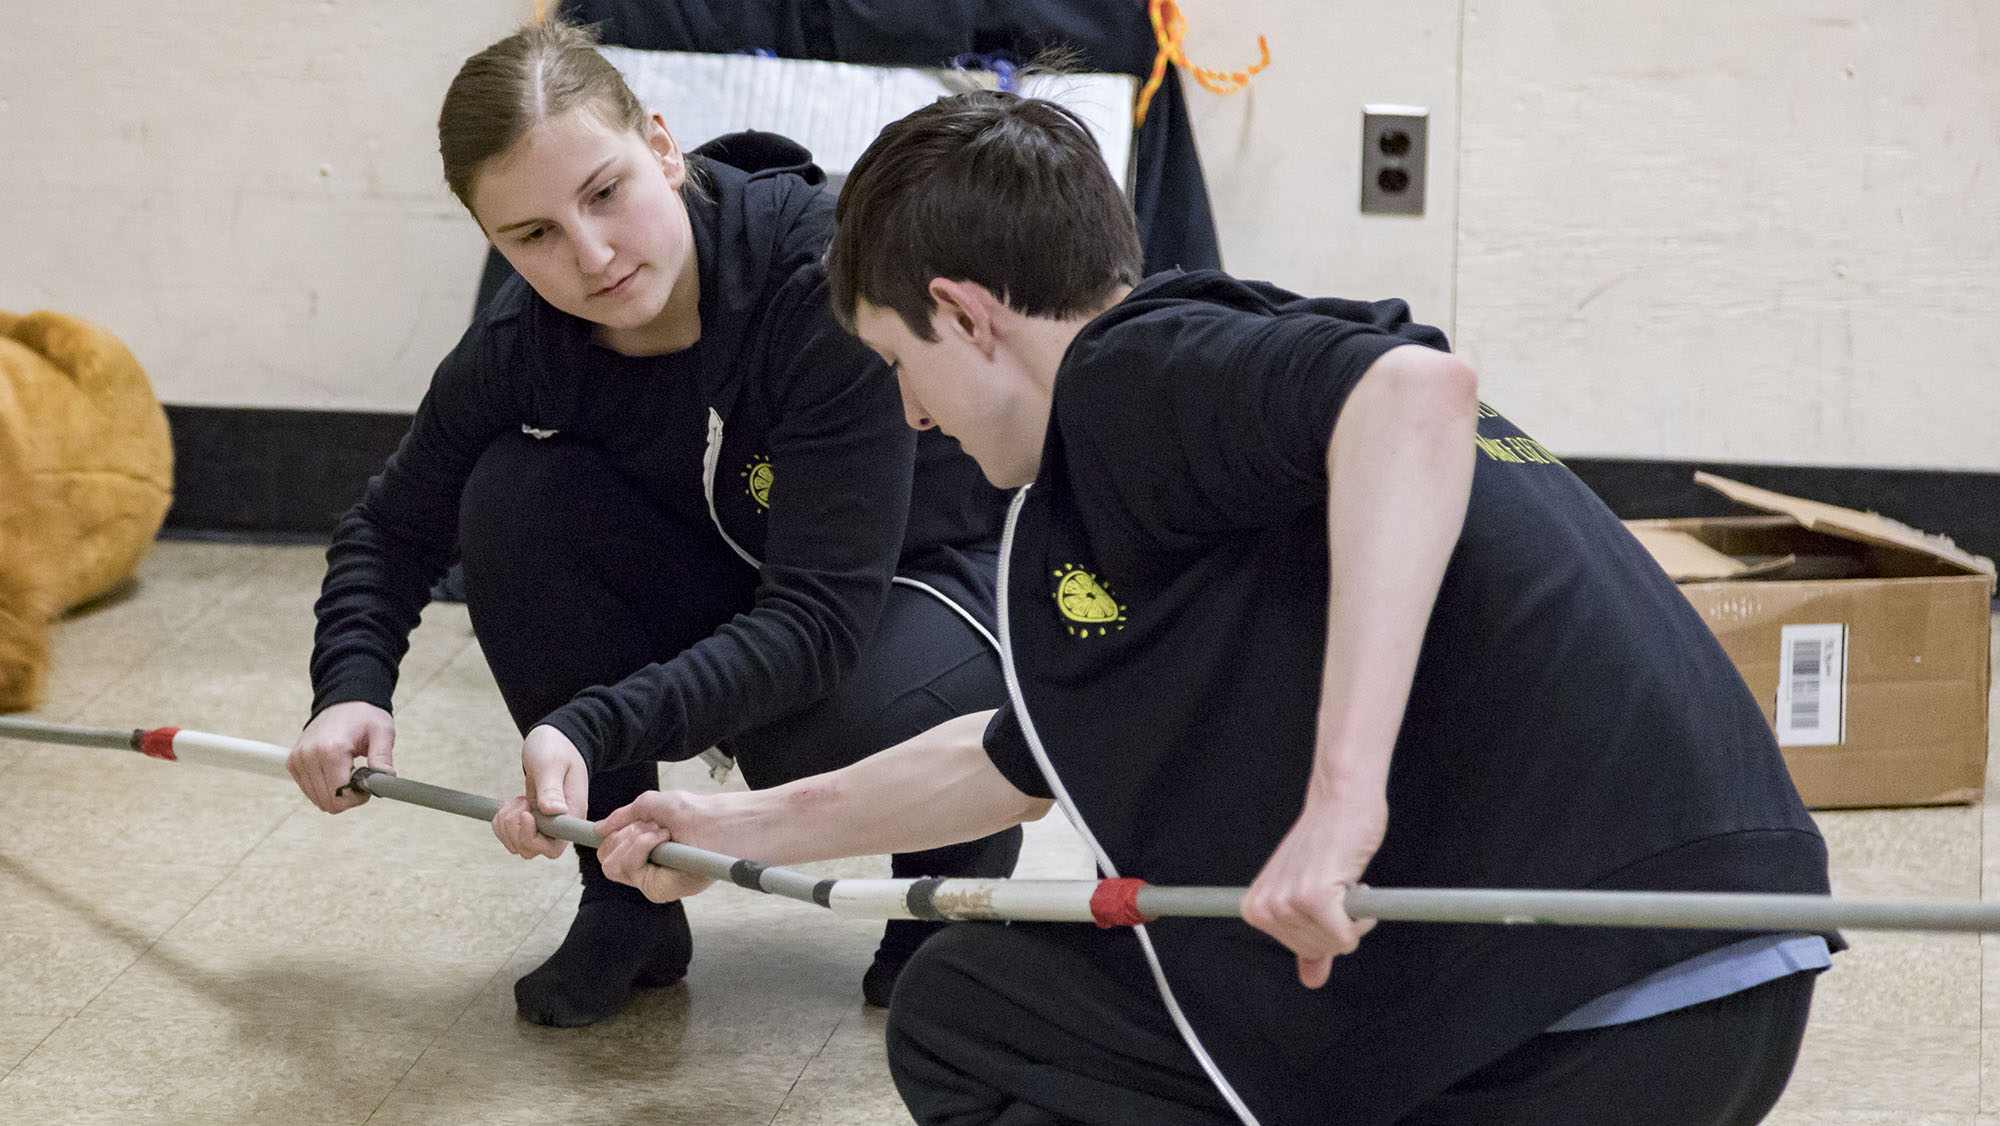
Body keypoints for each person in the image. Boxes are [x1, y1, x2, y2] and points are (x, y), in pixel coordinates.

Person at [592, 90, 1840, 1124]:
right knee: (973, 1003)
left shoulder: (1133, 369)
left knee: (969, 1024)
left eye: (901, 369)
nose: (911, 416)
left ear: (966, 315)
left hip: (1583, 990)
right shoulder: (1148, 460)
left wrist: (1339, 807)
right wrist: (728, 824)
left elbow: (1414, 390)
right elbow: (1010, 760)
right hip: (1684, 978)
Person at [285, 22, 1021, 1028]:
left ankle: (949, 877)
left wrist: (587, 724)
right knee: (510, 495)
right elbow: (390, 528)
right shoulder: (522, 341)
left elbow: (813, 623)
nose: (588, 255)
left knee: (802, 722)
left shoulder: (820, 286)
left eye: (604, 192)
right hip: (754, 567)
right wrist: (348, 688)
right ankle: (623, 897)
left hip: (939, 584)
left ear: (664, 149)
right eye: (531, 234)